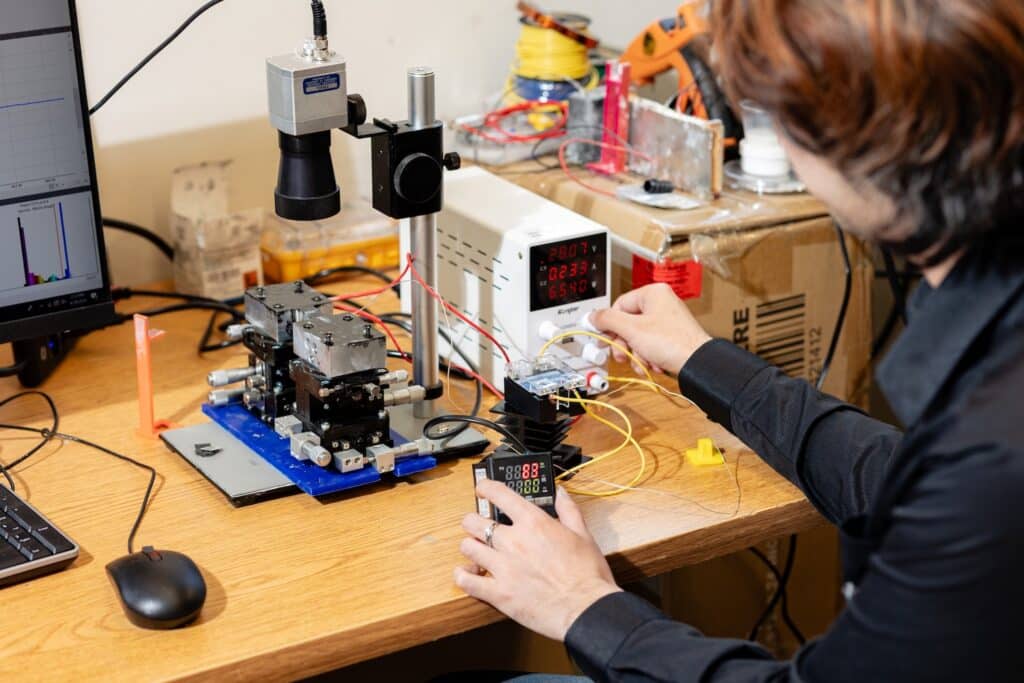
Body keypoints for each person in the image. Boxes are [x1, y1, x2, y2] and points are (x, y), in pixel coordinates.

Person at [453, 0, 1024, 681]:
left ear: (838, 136)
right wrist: (703, 361)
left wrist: (582, 604)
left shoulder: (989, 461)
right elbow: (893, 478)